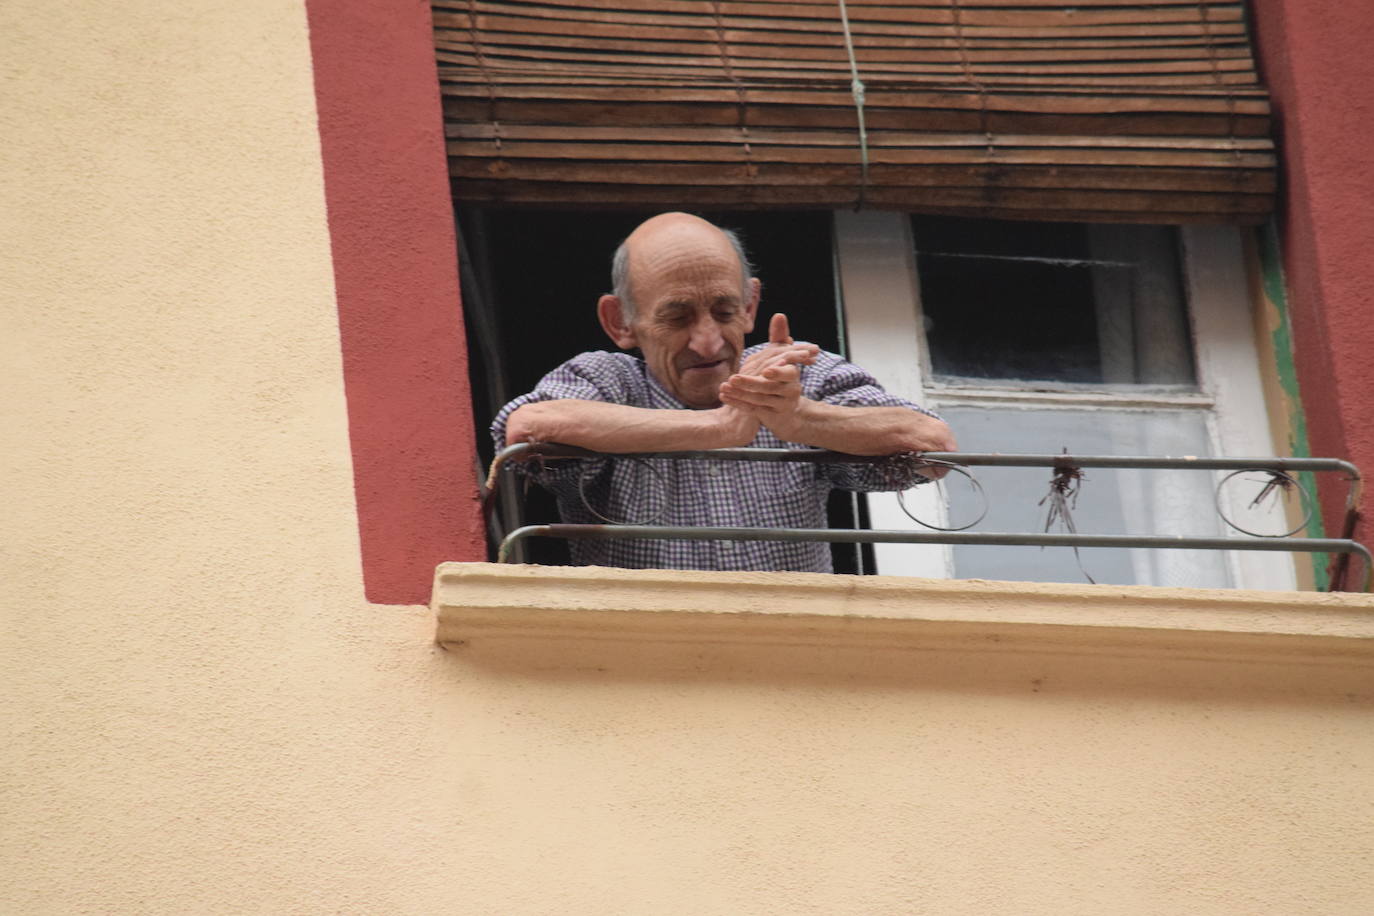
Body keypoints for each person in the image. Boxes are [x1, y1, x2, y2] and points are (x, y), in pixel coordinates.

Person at [492, 212, 956, 572]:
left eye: (724, 309)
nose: (708, 341)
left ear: (751, 305)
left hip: (795, 667)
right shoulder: (608, 380)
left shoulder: (798, 376)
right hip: (638, 669)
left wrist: (798, 418)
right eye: (677, 317)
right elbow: (528, 427)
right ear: (620, 322)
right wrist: (717, 427)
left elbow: (935, 447)